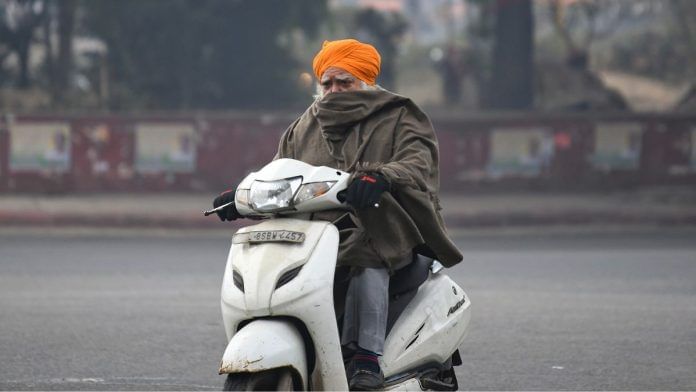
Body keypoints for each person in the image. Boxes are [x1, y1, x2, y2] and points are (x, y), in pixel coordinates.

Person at [213, 38, 462, 390]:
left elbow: (417, 163)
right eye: (327, 83)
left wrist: (382, 177)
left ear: (366, 81)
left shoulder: (400, 115)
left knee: (364, 246)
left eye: (345, 82)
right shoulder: (305, 124)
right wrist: (240, 194)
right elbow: (278, 171)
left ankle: (366, 356)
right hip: (316, 232)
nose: (334, 91)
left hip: (385, 225)